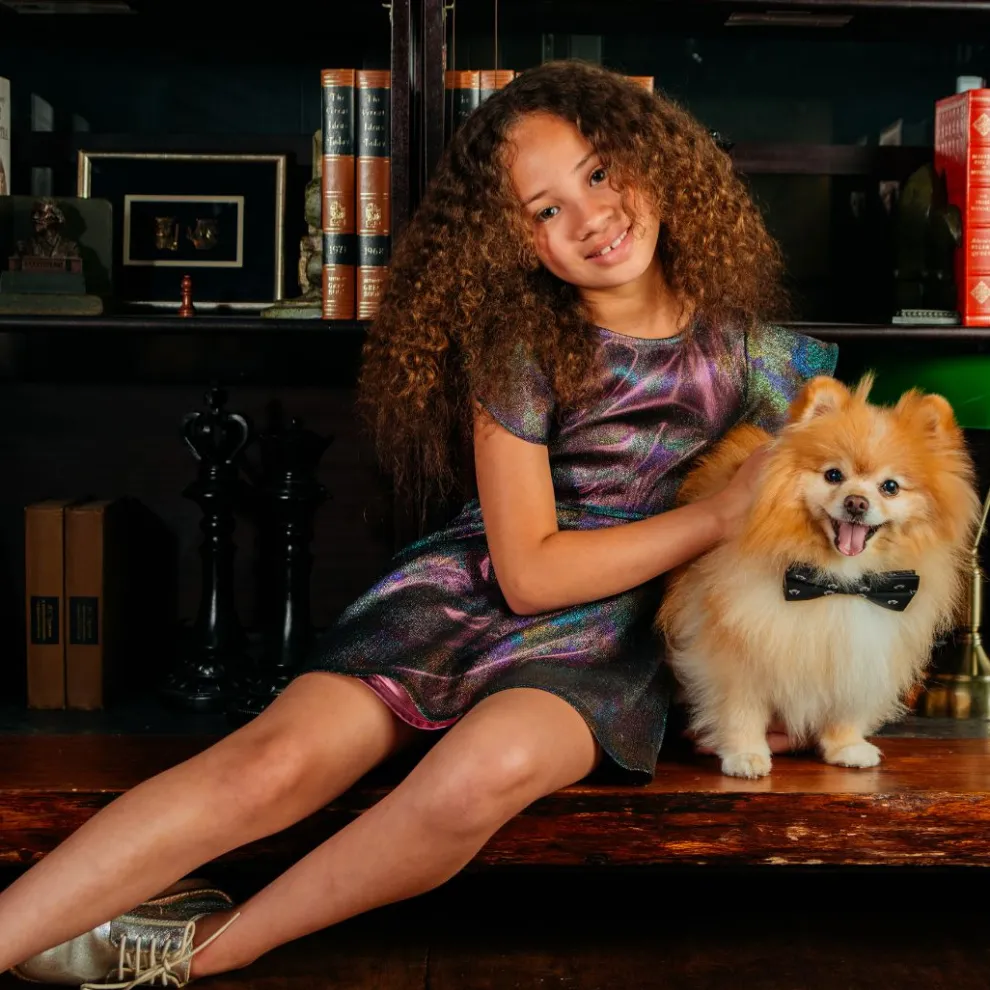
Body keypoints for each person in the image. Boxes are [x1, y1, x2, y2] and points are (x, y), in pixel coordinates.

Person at [3, 60, 837, 988]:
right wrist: (717, 517)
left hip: (612, 645)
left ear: (656, 159)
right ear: (513, 241)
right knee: (270, 763)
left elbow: (814, 555)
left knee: (487, 767)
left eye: (599, 173)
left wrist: (800, 696)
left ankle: (203, 949)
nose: (590, 216)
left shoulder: (771, 363)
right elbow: (529, 575)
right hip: (463, 595)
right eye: (545, 209)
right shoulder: (520, 346)